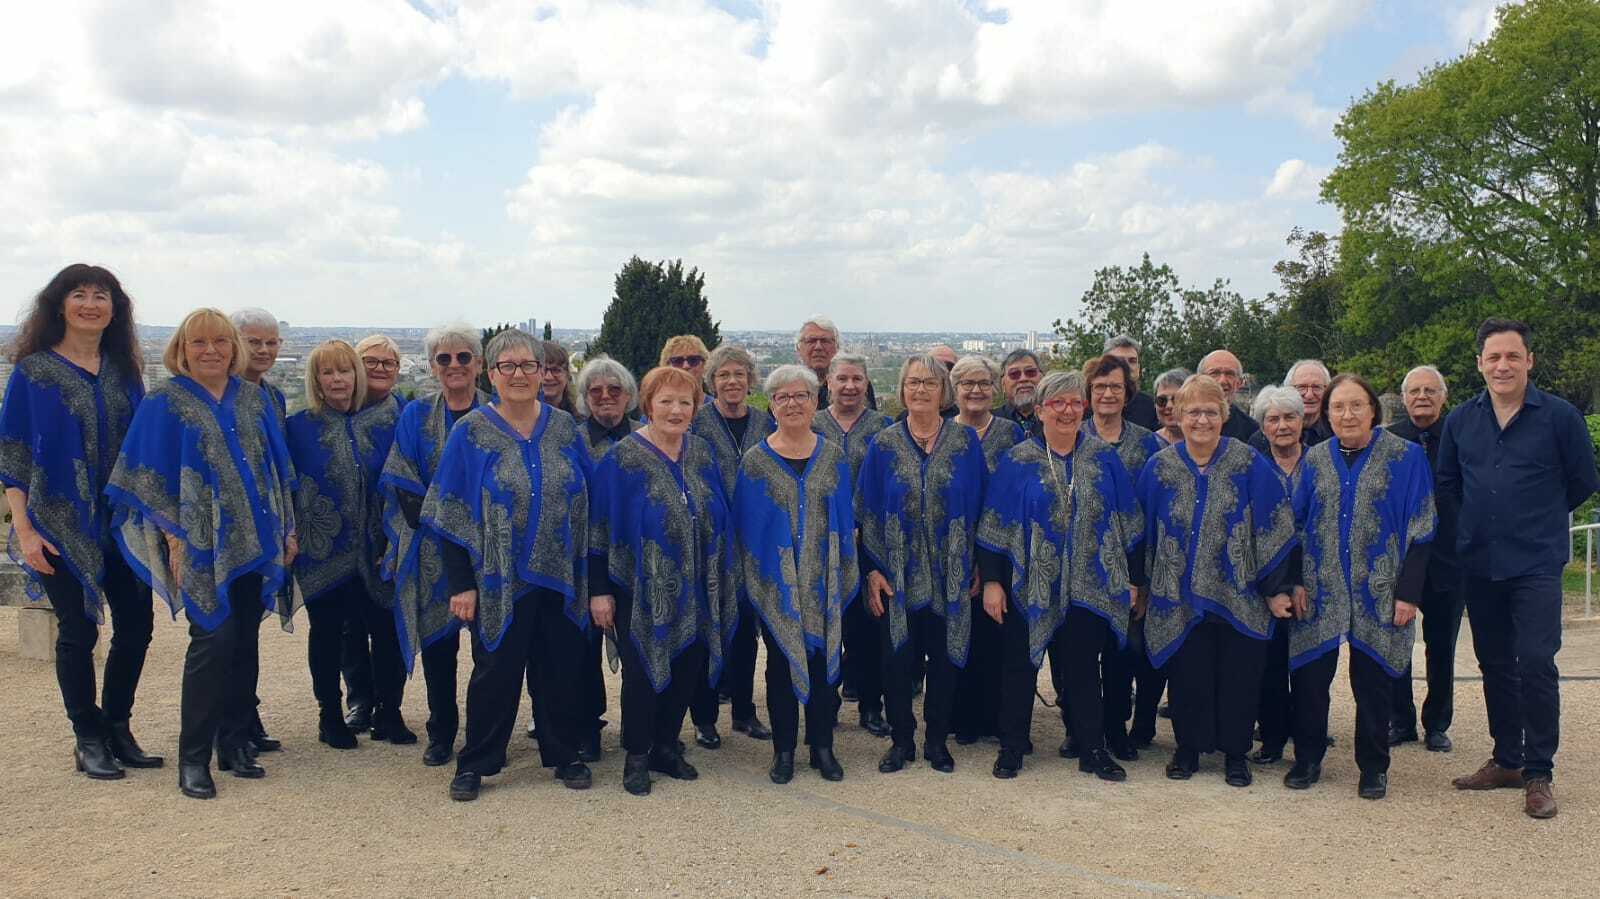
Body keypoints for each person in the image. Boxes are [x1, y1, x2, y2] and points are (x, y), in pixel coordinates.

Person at [105, 309, 298, 799]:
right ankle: (193, 758)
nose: (210, 350)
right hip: (200, 545)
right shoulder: (164, 403)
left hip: (256, 539)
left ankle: (234, 743)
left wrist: (287, 531)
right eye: (199, 342)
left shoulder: (253, 399)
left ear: (234, 348)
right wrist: (175, 541)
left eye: (220, 341)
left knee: (244, 642)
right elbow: (146, 477)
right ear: (182, 349)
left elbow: (276, 470)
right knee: (212, 641)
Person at [1, 264, 159, 780]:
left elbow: (142, 448)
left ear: (115, 309)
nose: (90, 304)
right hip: (57, 523)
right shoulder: (34, 373)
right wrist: (25, 531)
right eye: (79, 294)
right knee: (78, 630)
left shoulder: (124, 371)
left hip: (121, 523)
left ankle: (117, 726)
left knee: (137, 626)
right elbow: (14, 456)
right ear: (60, 305)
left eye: (101, 295)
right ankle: (87, 738)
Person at [423, 330, 593, 801]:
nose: (519, 374)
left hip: (560, 574)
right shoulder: (471, 432)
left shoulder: (564, 428)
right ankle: (477, 761)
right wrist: (461, 583)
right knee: (495, 670)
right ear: (492, 374)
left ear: (542, 372)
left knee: (560, 667)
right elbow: (450, 511)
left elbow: (591, 497)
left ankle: (564, 753)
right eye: (508, 366)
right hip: (496, 578)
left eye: (528, 365)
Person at [1440, 318, 1598, 819]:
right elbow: (1448, 484)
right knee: (1494, 663)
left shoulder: (1560, 417)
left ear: (1529, 360)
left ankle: (1538, 771)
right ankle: (1507, 759)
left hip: (1536, 561)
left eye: (1513, 356)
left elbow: (1582, 480)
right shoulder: (1461, 421)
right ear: (1480, 364)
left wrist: (1535, 519)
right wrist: (1474, 528)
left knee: (1534, 660)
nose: (1503, 365)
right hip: (1481, 561)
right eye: (1494, 357)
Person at [977, 371, 1144, 781]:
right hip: (1028, 583)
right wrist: (993, 582)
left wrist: (1132, 579)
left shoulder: (1104, 458)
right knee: (1019, 666)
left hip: (1091, 582)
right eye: (1058, 403)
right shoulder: (1018, 461)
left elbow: (1129, 520)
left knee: (1083, 669)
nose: (1067, 411)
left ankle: (1092, 749)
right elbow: (994, 524)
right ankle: (1012, 746)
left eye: (1075, 403)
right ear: (1040, 411)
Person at [1137, 374, 1297, 788]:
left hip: (1239, 593)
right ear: (1178, 415)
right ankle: (1188, 749)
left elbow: (1274, 525)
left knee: (1239, 677)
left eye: (1210, 412)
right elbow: (1141, 530)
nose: (1202, 420)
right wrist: (1142, 584)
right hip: (1178, 595)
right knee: (1187, 676)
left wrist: (1274, 588)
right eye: (1193, 412)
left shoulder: (1248, 463)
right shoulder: (1160, 467)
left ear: (1224, 415)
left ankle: (1235, 753)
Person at [1282, 374, 1435, 800]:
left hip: (1380, 588)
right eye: (1338, 407)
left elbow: (1422, 527)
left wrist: (1408, 593)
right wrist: (1294, 581)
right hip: (1320, 588)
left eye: (1356, 405)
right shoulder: (1314, 460)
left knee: (1373, 681)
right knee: (1311, 678)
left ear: (1373, 411)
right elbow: (1294, 525)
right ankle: (1307, 758)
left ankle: (1373, 767)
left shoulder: (1406, 457)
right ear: (1327, 414)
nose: (1347, 414)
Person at [589, 366, 734, 795]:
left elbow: (720, 512)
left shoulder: (701, 453)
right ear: (648, 405)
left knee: (687, 666)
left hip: (695, 586)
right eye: (666, 401)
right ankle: (637, 754)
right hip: (638, 588)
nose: (675, 410)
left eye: (685, 402)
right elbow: (598, 529)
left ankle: (666, 747)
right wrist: (600, 591)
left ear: (696, 407)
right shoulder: (622, 459)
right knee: (641, 673)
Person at [857, 354, 985, 775]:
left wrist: (980, 564)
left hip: (952, 573)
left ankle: (936, 741)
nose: (920, 390)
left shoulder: (965, 443)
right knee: (896, 661)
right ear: (902, 389)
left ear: (943, 391)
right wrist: (871, 571)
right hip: (896, 573)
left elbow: (982, 507)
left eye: (930, 383)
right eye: (913, 382)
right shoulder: (883, 444)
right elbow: (867, 513)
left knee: (945, 659)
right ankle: (901, 741)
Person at [733, 364, 859, 784]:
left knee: (823, 662)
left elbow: (845, 518)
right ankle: (783, 750)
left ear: (815, 401)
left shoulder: (833, 456)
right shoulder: (755, 461)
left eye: (800, 395)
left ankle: (822, 747)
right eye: (782, 397)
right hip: (777, 584)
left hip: (824, 581)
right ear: (771, 405)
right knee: (780, 665)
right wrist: (759, 581)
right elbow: (748, 528)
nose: (792, 404)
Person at [285, 340, 412, 751]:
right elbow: (282, 486)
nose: (337, 379)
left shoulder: (387, 421)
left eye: (344, 371)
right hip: (322, 551)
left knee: (387, 632)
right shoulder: (297, 427)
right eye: (328, 372)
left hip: (378, 549)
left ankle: (389, 712)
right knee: (328, 634)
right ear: (316, 379)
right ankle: (330, 715)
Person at [382, 323, 486, 767]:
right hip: (431, 546)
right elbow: (402, 476)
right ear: (431, 366)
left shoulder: (496, 412)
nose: (454, 365)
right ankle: (441, 731)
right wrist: (442, 521)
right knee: (439, 649)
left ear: (479, 363)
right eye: (444, 358)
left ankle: (484, 734)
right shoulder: (416, 414)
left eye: (463, 357)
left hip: (487, 549)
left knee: (490, 649)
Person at [1076, 354, 1163, 761]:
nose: (1107, 394)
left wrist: (1140, 580)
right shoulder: (1072, 436)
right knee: (1077, 655)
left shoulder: (1147, 444)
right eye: (1099, 387)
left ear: (1127, 394)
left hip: (1128, 566)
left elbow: (1151, 511)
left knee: (1123, 652)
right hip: (1079, 565)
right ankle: (1080, 730)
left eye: (1115, 387)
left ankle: (1116, 729)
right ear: (1088, 393)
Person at [685, 345, 773, 748]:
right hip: (709, 541)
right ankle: (704, 718)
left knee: (745, 634)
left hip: (754, 543)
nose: (732, 381)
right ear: (711, 382)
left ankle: (743, 711)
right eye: (723, 375)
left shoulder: (765, 422)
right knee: (707, 629)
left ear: (750, 380)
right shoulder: (697, 424)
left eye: (739, 374)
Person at [813, 353, 893, 739]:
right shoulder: (812, 424)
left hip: (869, 541)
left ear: (866, 383)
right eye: (842, 378)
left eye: (857, 379)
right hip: (819, 540)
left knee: (868, 626)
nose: (849, 386)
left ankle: (871, 705)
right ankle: (825, 705)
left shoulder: (883, 428)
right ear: (827, 382)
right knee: (826, 625)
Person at [948, 355, 1025, 746]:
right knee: (958, 632)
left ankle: (998, 718)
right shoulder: (943, 433)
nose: (975, 390)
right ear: (954, 389)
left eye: (983, 383)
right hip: (952, 549)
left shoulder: (1012, 434)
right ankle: (962, 717)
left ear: (995, 389)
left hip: (1002, 550)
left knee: (998, 636)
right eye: (967, 383)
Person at [1387, 365, 1464, 752]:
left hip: (1449, 558)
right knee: (1396, 643)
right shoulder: (1389, 440)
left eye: (1430, 391)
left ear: (1443, 397)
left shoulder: (1459, 437)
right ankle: (1400, 720)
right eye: (1415, 391)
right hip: (1400, 561)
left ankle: (1437, 723)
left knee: (1442, 646)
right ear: (1404, 398)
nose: (1422, 397)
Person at [338, 333, 408, 735]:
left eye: (388, 363)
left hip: (389, 535)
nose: (380, 369)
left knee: (388, 626)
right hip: (345, 538)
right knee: (350, 626)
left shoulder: (405, 416)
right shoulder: (340, 414)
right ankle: (359, 700)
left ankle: (389, 706)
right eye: (371, 361)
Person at [230, 307, 289, 754]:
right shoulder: (221, 393)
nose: (264, 350)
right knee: (224, 635)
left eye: (271, 342)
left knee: (247, 632)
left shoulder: (273, 397)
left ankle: (245, 718)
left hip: (263, 529)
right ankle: (228, 728)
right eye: (255, 342)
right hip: (226, 531)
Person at [1246, 386, 1307, 766]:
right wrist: (1272, 586)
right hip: (1262, 582)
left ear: (1302, 421)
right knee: (1267, 666)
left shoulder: (1320, 464)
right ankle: (1271, 739)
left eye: (1289, 417)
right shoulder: (1251, 466)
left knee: (1308, 667)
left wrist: (1298, 581)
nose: (1282, 426)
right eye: (1273, 419)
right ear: (1262, 426)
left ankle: (1307, 739)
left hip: (1310, 582)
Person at [1250, 360, 1333, 455]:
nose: (1309, 395)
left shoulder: (1337, 433)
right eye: (1301, 387)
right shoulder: (1262, 440)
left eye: (1317, 387)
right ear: (1287, 390)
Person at [798, 315, 876, 409]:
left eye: (825, 341)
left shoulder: (855, 384)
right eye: (811, 341)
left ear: (837, 348)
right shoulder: (789, 386)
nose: (818, 347)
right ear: (799, 349)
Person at [576, 355, 642, 458]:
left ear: (628, 395)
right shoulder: (573, 440)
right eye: (596, 390)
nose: (605, 396)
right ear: (585, 398)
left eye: (614, 389)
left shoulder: (646, 437)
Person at [1197, 350, 1260, 441]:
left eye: (1230, 374)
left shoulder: (1251, 431)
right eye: (1214, 373)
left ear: (1239, 383)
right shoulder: (1183, 422)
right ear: (1199, 380)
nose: (1222, 381)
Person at [1104, 335, 1159, 430]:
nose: (1127, 366)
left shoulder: (1152, 406)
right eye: (1119, 360)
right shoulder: (1086, 405)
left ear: (1138, 368)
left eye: (1132, 361)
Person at [995, 349, 1043, 438]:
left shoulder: (1057, 419)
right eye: (1014, 374)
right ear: (1003, 384)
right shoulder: (990, 422)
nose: (1023, 379)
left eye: (1030, 372)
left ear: (1042, 378)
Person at [541, 341, 579, 417]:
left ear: (567, 374)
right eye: (543, 370)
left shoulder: (578, 421)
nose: (548, 377)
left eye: (556, 370)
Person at [1151, 368, 1188, 447]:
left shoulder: (1209, 441)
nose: (1169, 406)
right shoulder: (1146, 445)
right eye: (1161, 400)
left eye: (1177, 399)